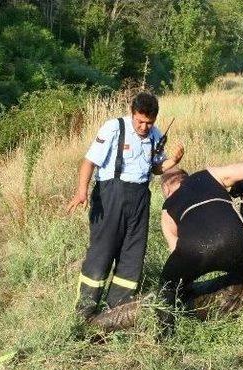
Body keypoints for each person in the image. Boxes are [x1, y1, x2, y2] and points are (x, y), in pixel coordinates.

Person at [66, 92, 184, 319]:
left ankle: (117, 311)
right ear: (132, 113)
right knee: (102, 251)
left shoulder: (155, 135)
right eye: (140, 121)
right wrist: (82, 191)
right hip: (111, 195)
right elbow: (89, 161)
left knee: (133, 253)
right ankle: (84, 312)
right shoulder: (113, 128)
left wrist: (174, 161)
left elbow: (157, 169)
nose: (144, 126)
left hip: (140, 197)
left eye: (149, 122)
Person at [158, 163, 243, 347]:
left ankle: (165, 342)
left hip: (193, 251)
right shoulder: (207, 175)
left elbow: (175, 251)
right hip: (234, 239)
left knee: (167, 286)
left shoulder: (166, 211)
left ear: (166, 190)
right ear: (186, 177)